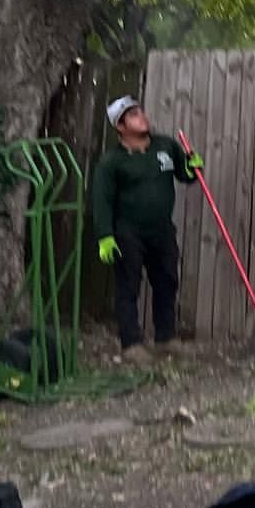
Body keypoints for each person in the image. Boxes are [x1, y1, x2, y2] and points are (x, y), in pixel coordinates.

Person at [93, 96, 201, 365]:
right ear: (120, 126)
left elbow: (185, 175)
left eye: (140, 111)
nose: (142, 116)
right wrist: (105, 236)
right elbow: (101, 200)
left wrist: (193, 166)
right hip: (128, 232)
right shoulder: (112, 162)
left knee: (166, 281)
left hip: (162, 230)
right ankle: (131, 343)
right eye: (133, 115)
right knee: (128, 286)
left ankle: (165, 338)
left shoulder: (165, 146)